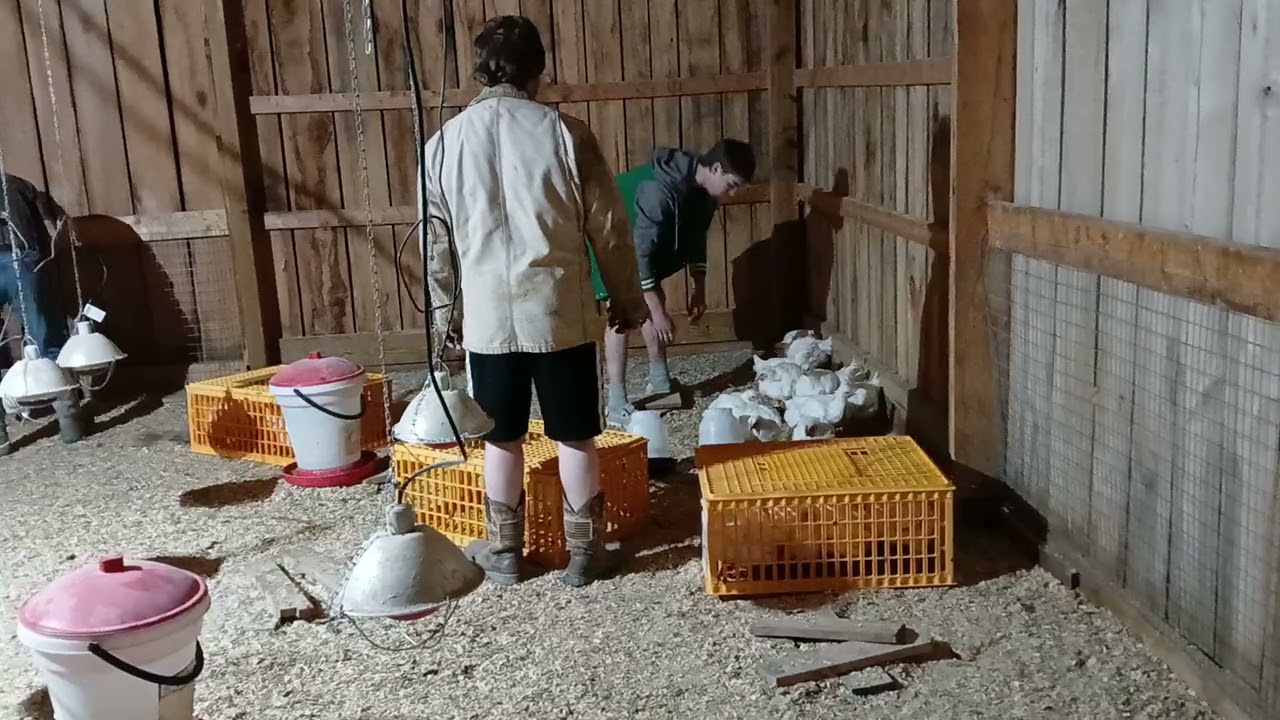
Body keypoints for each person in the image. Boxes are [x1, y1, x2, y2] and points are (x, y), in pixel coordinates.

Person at [418, 15, 648, 587]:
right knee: (574, 432)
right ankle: (583, 556)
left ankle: (502, 555)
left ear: (480, 72)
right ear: (538, 72)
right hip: (559, 315)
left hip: (489, 321)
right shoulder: (566, 134)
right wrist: (627, 300)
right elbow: (610, 229)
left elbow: (436, 245)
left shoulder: (442, 145)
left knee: (501, 436)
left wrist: (445, 316)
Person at [587, 140, 756, 427]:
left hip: (642, 245)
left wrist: (698, 287)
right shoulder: (658, 190)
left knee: (655, 303)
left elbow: (695, 237)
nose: (734, 193)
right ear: (715, 168)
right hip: (610, 241)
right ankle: (616, 402)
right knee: (623, 315)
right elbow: (640, 256)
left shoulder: (704, 192)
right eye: (732, 184)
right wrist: (657, 312)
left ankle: (660, 381)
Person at [0, 172, 84, 456]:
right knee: (45, 335)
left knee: (44, 334)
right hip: (23, 258)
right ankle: (69, 418)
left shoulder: (16, 184)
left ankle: (3, 438)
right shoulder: (16, 184)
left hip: (21, 257)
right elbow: (48, 225)